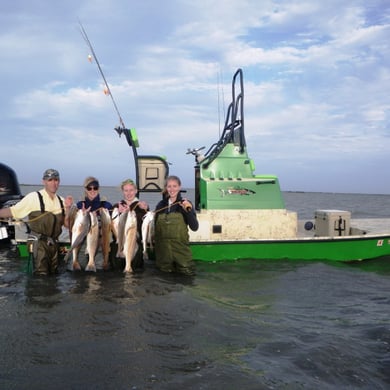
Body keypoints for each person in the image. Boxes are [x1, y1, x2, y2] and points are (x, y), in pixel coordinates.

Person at [0, 169, 73, 275]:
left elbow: (67, 225)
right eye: (50, 180)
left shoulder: (62, 201)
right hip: (38, 244)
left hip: (54, 244)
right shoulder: (34, 197)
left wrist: (68, 209)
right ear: (44, 182)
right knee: (40, 277)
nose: (53, 183)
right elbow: (13, 211)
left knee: (53, 276)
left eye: (56, 180)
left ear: (59, 182)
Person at [154, 175, 198, 275]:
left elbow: (195, 227)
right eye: (169, 186)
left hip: (181, 253)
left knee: (186, 280)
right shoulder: (160, 205)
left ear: (179, 187)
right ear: (166, 188)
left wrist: (188, 211)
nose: (172, 189)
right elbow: (154, 228)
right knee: (164, 282)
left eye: (174, 186)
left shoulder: (185, 204)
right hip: (163, 255)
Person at [71, 176, 113, 271]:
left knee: (99, 273)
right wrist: (69, 209)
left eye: (95, 187)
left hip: (100, 245)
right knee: (76, 272)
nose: (92, 190)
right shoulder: (79, 205)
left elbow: (113, 226)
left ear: (99, 189)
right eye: (89, 188)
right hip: (81, 244)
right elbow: (69, 226)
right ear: (85, 189)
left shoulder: (106, 205)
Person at [112, 178, 149, 272]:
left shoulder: (142, 207)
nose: (129, 193)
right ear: (123, 191)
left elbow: (146, 227)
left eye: (131, 190)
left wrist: (146, 209)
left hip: (135, 247)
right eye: (126, 190)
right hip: (118, 249)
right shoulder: (116, 207)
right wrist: (118, 213)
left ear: (136, 191)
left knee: (136, 277)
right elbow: (110, 227)